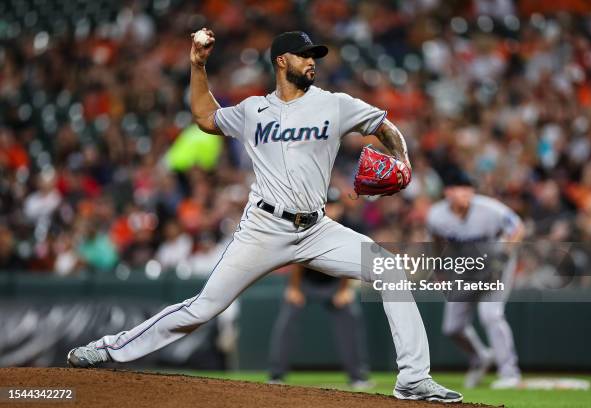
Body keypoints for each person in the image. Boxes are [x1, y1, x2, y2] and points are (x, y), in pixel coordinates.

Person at [67, 29, 461, 402]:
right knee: (203, 307)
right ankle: (108, 349)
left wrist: (402, 158)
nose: (311, 61)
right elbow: (206, 117)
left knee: (388, 268)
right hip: (264, 227)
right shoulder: (253, 110)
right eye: (304, 55)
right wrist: (198, 65)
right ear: (281, 60)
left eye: (314, 56)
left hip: (316, 228)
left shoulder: (335, 104)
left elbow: (384, 125)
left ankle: (412, 378)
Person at [426, 167, 524, 389]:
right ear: (447, 192)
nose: (465, 193)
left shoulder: (490, 209)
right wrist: (439, 269)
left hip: (495, 265)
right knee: (452, 327)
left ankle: (510, 373)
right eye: (460, 189)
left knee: (491, 315)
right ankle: (480, 357)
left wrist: (506, 253)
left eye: (468, 189)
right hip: (465, 269)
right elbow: (437, 242)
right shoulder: (436, 215)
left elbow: (518, 228)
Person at [268, 189, 372, 390]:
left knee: (350, 316)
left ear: (341, 207)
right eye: (328, 205)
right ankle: (276, 375)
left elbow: (352, 261)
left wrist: (345, 289)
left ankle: (358, 377)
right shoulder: (310, 222)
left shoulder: (349, 226)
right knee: (287, 318)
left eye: (335, 205)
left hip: (335, 283)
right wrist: (294, 288)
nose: (332, 209)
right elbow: (298, 258)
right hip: (305, 282)